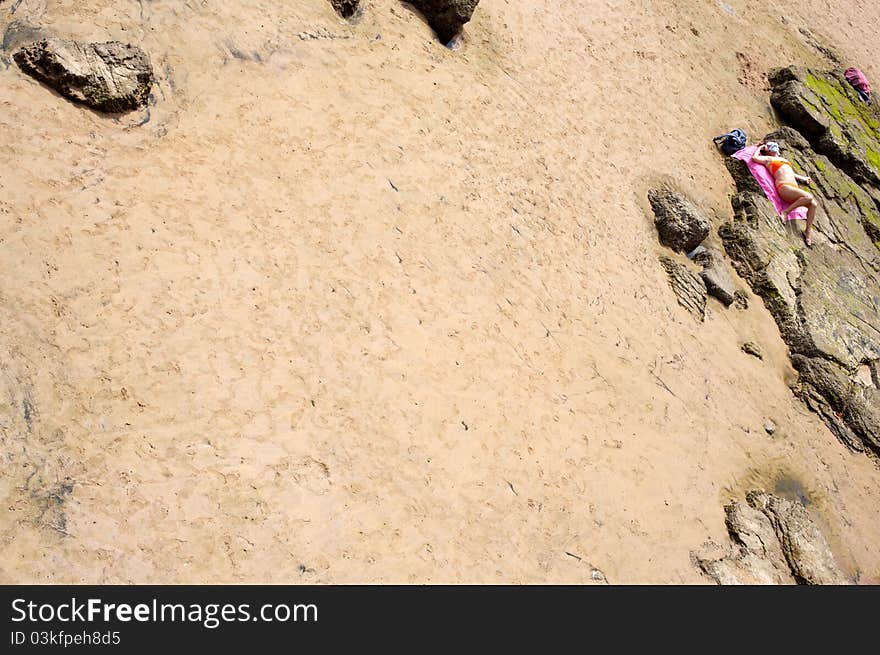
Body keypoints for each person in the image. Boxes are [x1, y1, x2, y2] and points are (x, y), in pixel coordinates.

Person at [751, 141, 817, 246]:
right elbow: (754, 158)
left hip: (794, 188)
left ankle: (807, 230)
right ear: (767, 150)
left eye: (775, 146)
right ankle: (786, 212)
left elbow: (789, 172)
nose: (774, 148)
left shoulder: (784, 160)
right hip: (784, 187)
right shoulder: (768, 159)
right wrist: (759, 148)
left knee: (814, 204)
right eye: (770, 147)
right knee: (809, 197)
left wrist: (803, 178)